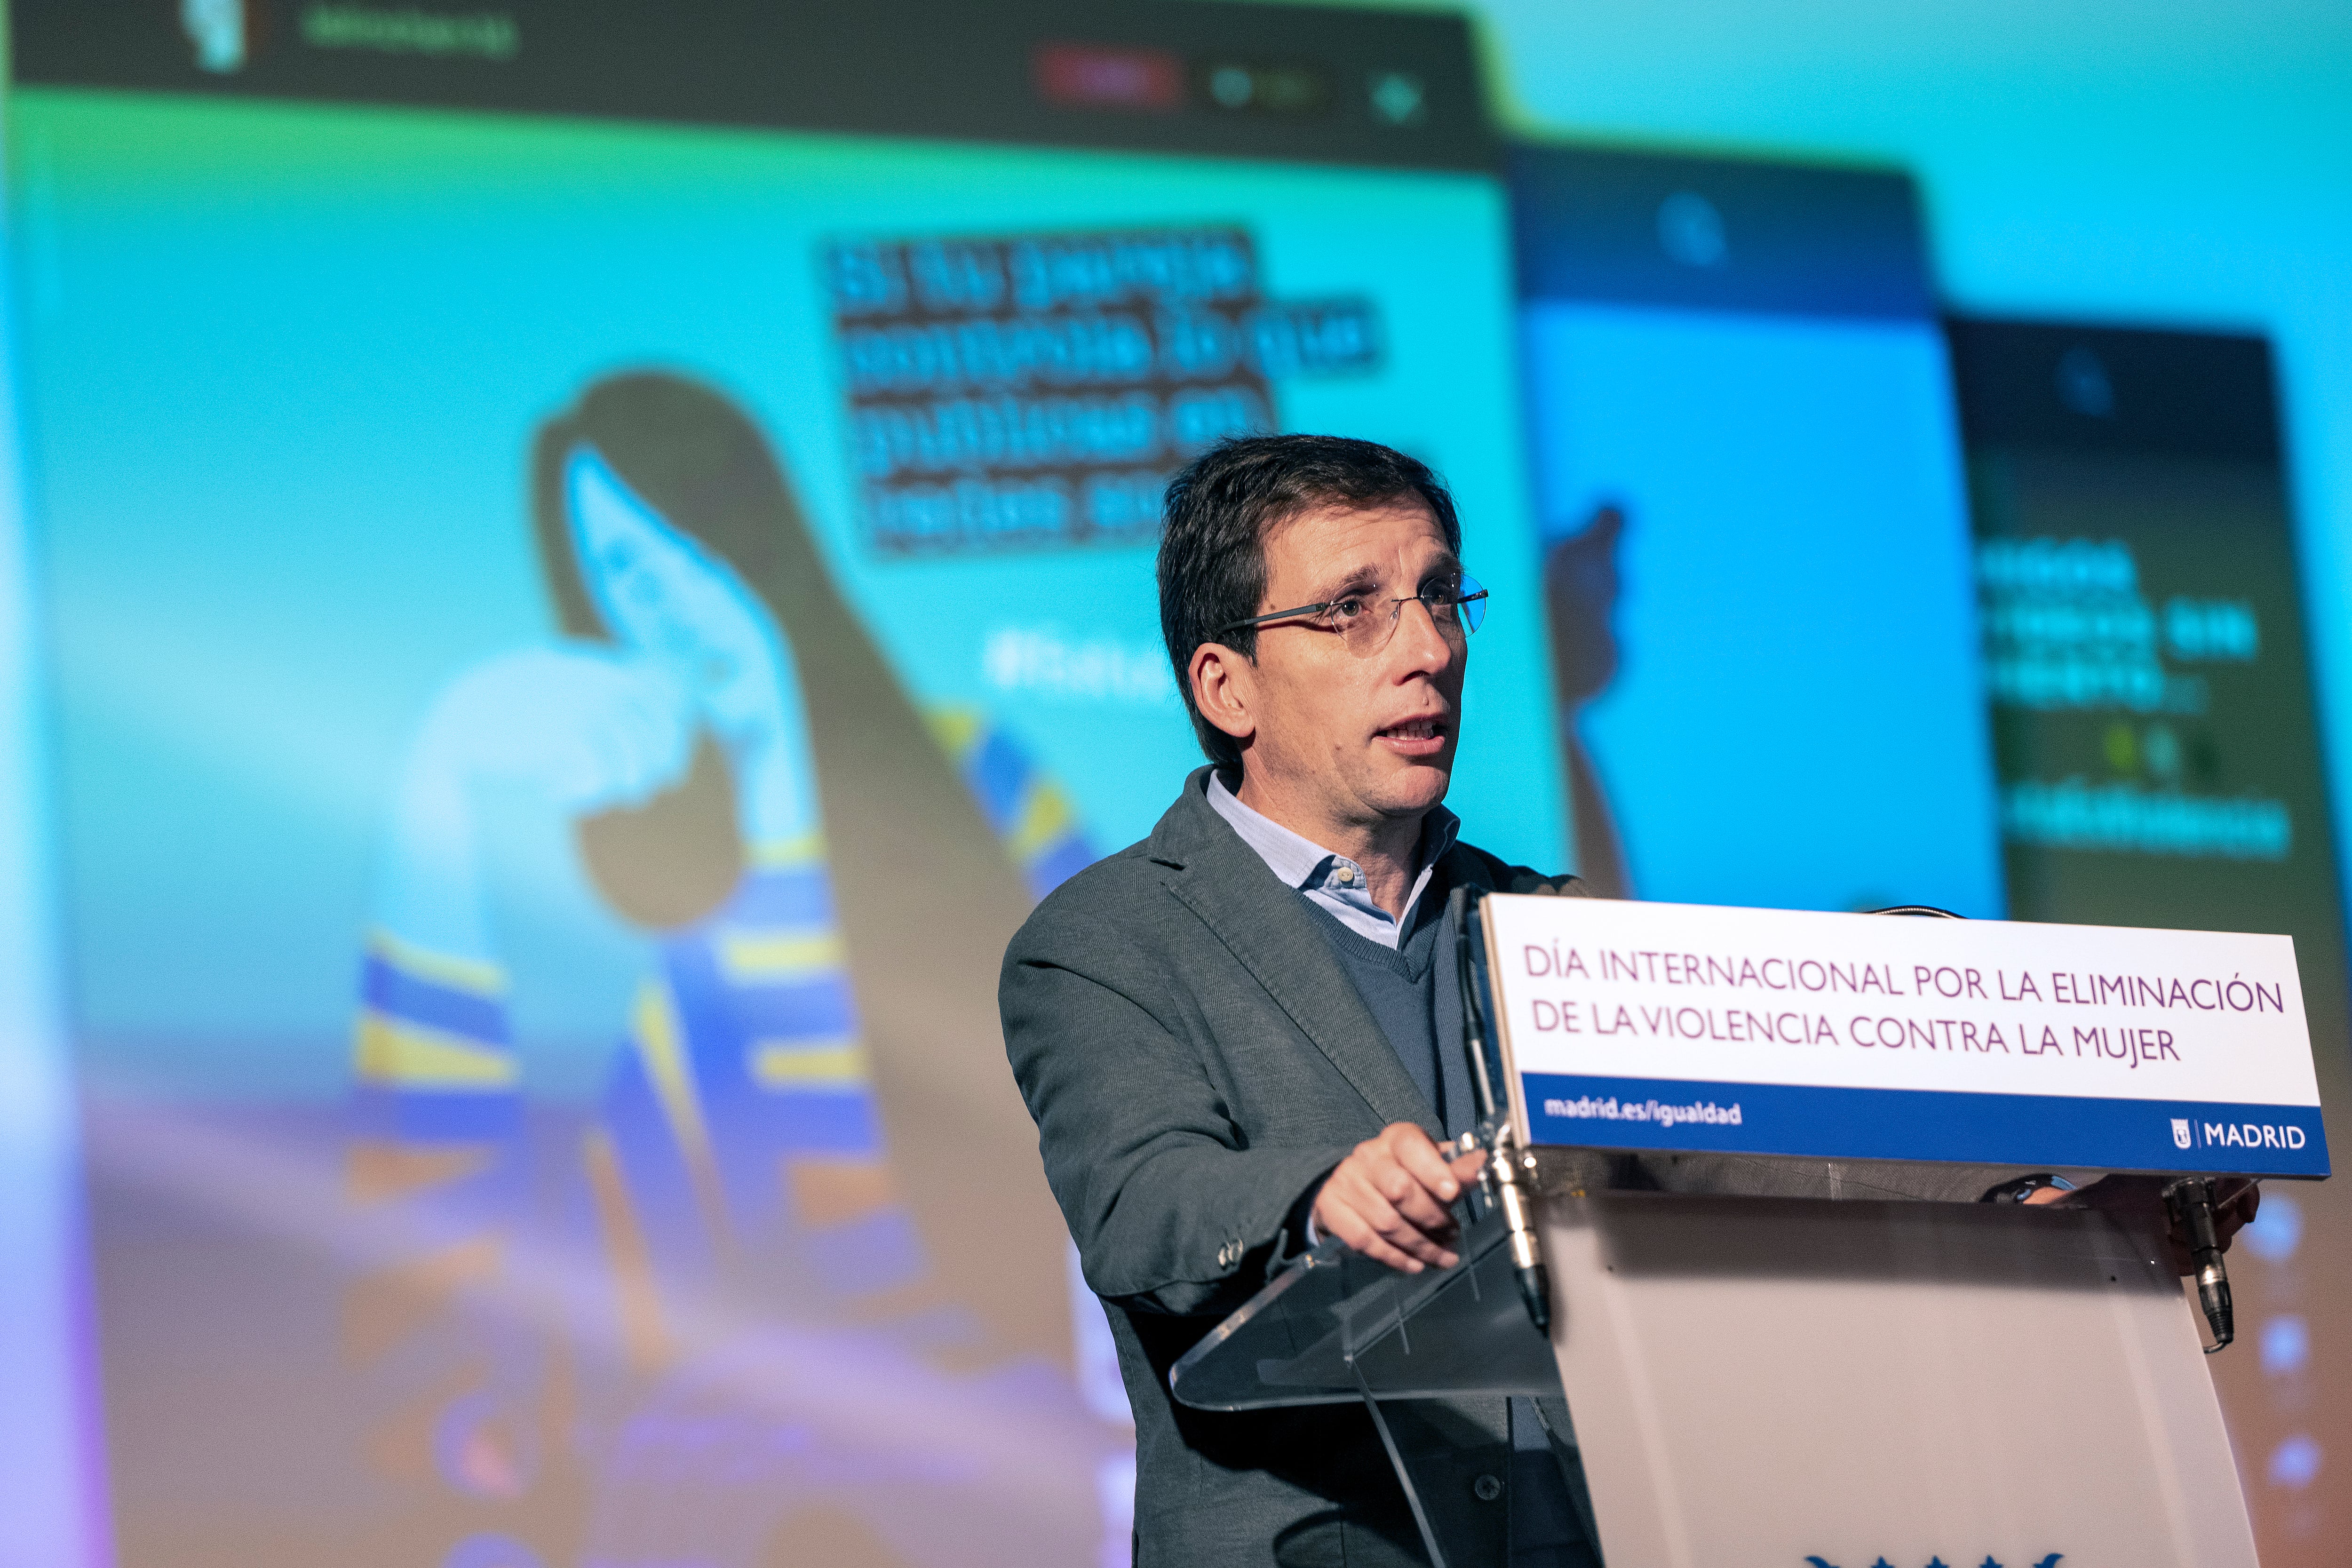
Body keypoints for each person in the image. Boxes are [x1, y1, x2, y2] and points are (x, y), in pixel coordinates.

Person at [1000, 433, 2257, 1568]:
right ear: (1227, 687)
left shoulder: (1558, 931)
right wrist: (1320, 1192)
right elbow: (1140, 1203)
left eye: (1440, 596)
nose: (1430, 648)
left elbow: (1749, 1157)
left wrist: (2054, 1204)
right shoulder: (1107, 941)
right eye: (1354, 611)